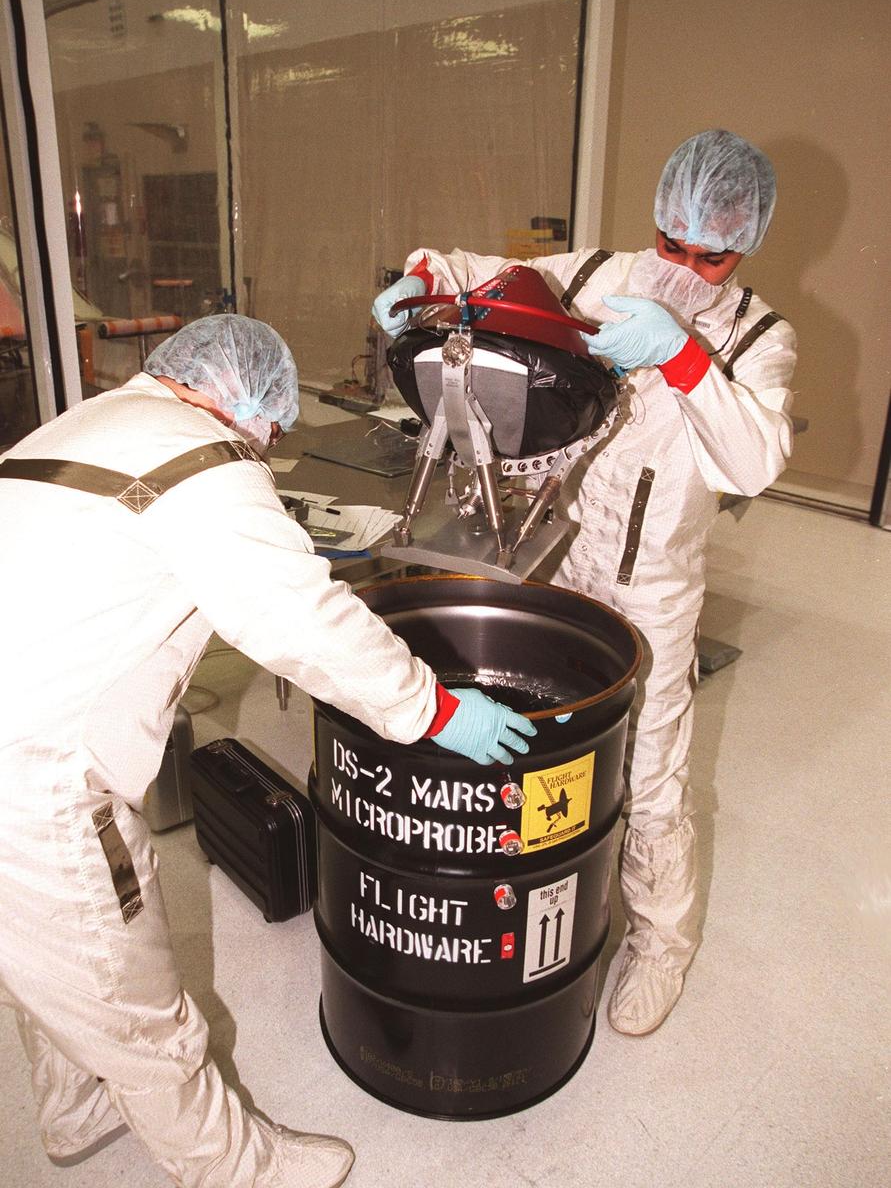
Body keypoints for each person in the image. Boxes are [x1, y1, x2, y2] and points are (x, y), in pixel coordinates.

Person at [0, 313, 536, 1187]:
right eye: (274, 425)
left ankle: (77, 1109)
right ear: (245, 401)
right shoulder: (205, 466)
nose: (272, 439)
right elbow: (301, 621)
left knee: (46, 965)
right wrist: (435, 712)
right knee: (125, 989)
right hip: (26, 782)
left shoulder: (89, 422)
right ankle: (237, 1172)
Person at [373, 129, 797, 1036]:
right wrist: (419, 277)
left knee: (652, 773)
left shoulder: (761, 336)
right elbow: (472, 270)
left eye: (710, 255)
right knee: (546, 750)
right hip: (559, 555)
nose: (684, 268)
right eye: (672, 243)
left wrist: (684, 359)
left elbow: (754, 461)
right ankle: (551, 906)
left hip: (653, 584)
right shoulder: (600, 272)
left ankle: (660, 941)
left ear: (746, 243)